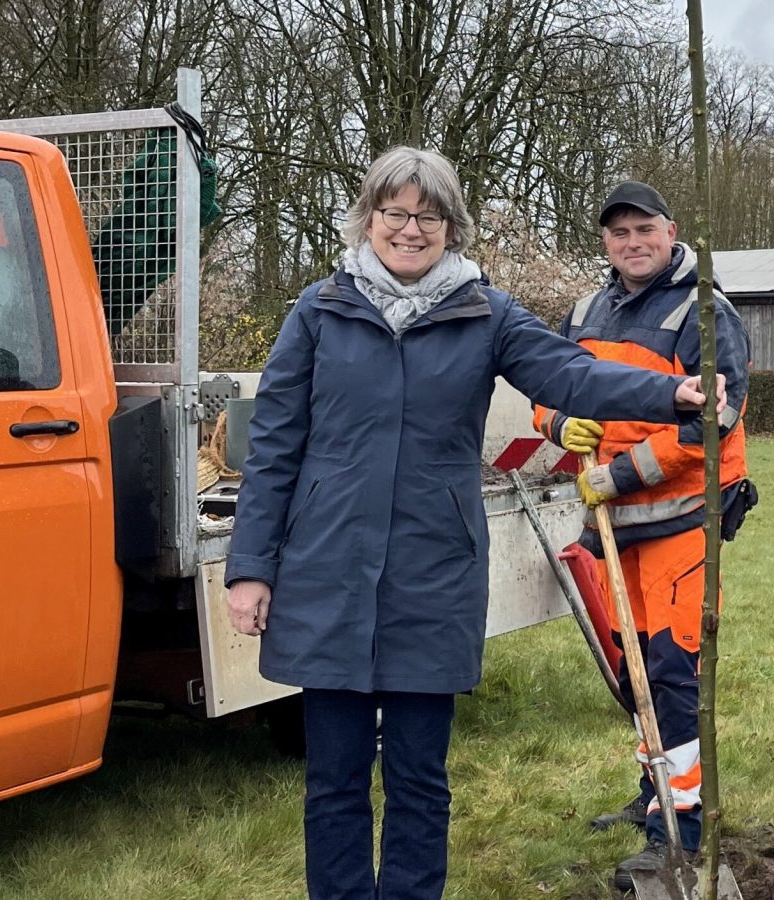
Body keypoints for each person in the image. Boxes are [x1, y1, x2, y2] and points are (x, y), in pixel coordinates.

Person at [223, 148, 723, 900]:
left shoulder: (485, 314)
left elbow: (570, 373)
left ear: (451, 227)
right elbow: (273, 447)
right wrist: (250, 566)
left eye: (429, 215)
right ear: (369, 219)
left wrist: (670, 394)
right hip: (327, 572)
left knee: (421, 777)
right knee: (333, 779)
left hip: (433, 574)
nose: (411, 228)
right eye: (395, 212)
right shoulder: (318, 310)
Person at [532, 180, 750, 891]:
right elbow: (545, 383)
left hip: (683, 520)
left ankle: (679, 830)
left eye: (644, 230)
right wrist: (558, 426)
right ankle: (653, 789)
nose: (632, 242)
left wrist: (619, 476)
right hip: (616, 528)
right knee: (633, 670)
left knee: (670, 671)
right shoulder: (586, 311)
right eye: (619, 232)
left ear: (671, 231)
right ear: (606, 242)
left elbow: (707, 428)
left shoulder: (706, 313)